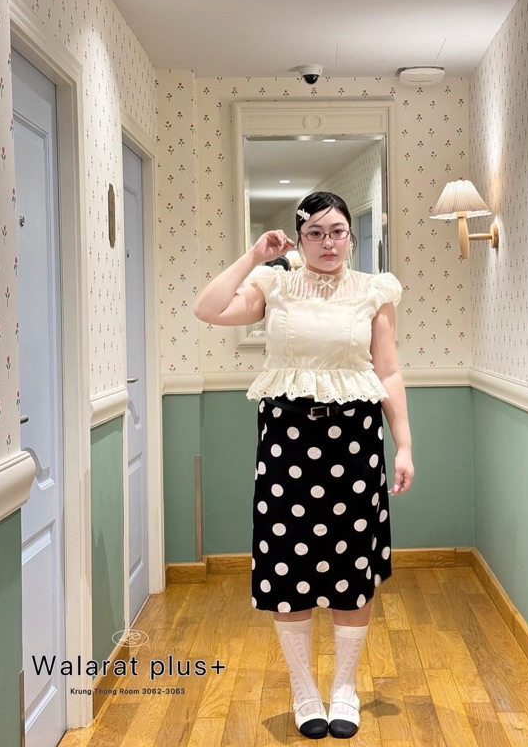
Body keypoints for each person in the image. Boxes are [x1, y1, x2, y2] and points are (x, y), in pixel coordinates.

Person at [193, 191, 414, 739]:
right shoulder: (276, 285)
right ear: (298, 238)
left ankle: (344, 687)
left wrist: (404, 445)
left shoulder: (375, 291)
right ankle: (303, 690)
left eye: (337, 231)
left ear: (351, 236)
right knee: (288, 563)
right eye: (314, 233)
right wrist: (254, 256)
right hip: (287, 443)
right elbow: (208, 309)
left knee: (351, 567)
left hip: (355, 443)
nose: (327, 242)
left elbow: (388, 371)